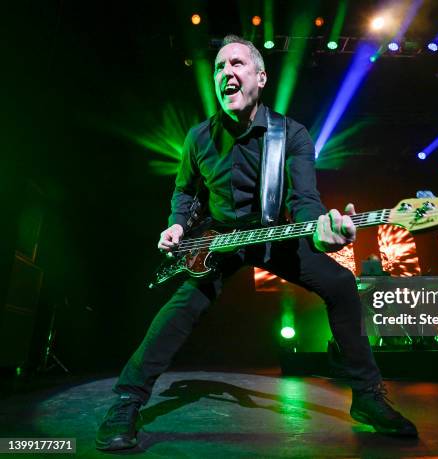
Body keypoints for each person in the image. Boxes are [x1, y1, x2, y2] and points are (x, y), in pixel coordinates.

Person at [96, 35, 417, 451]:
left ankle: (369, 398)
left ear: (260, 77)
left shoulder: (292, 135)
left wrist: (321, 232)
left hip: (271, 234)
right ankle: (127, 400)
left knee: (340, 284)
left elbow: (303, 201)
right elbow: (185, 191)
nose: (225, 73)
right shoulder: (198, 138)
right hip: (217, 240)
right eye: (218, 67)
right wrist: (176, 225)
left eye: (236, 64)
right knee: (179, 311)